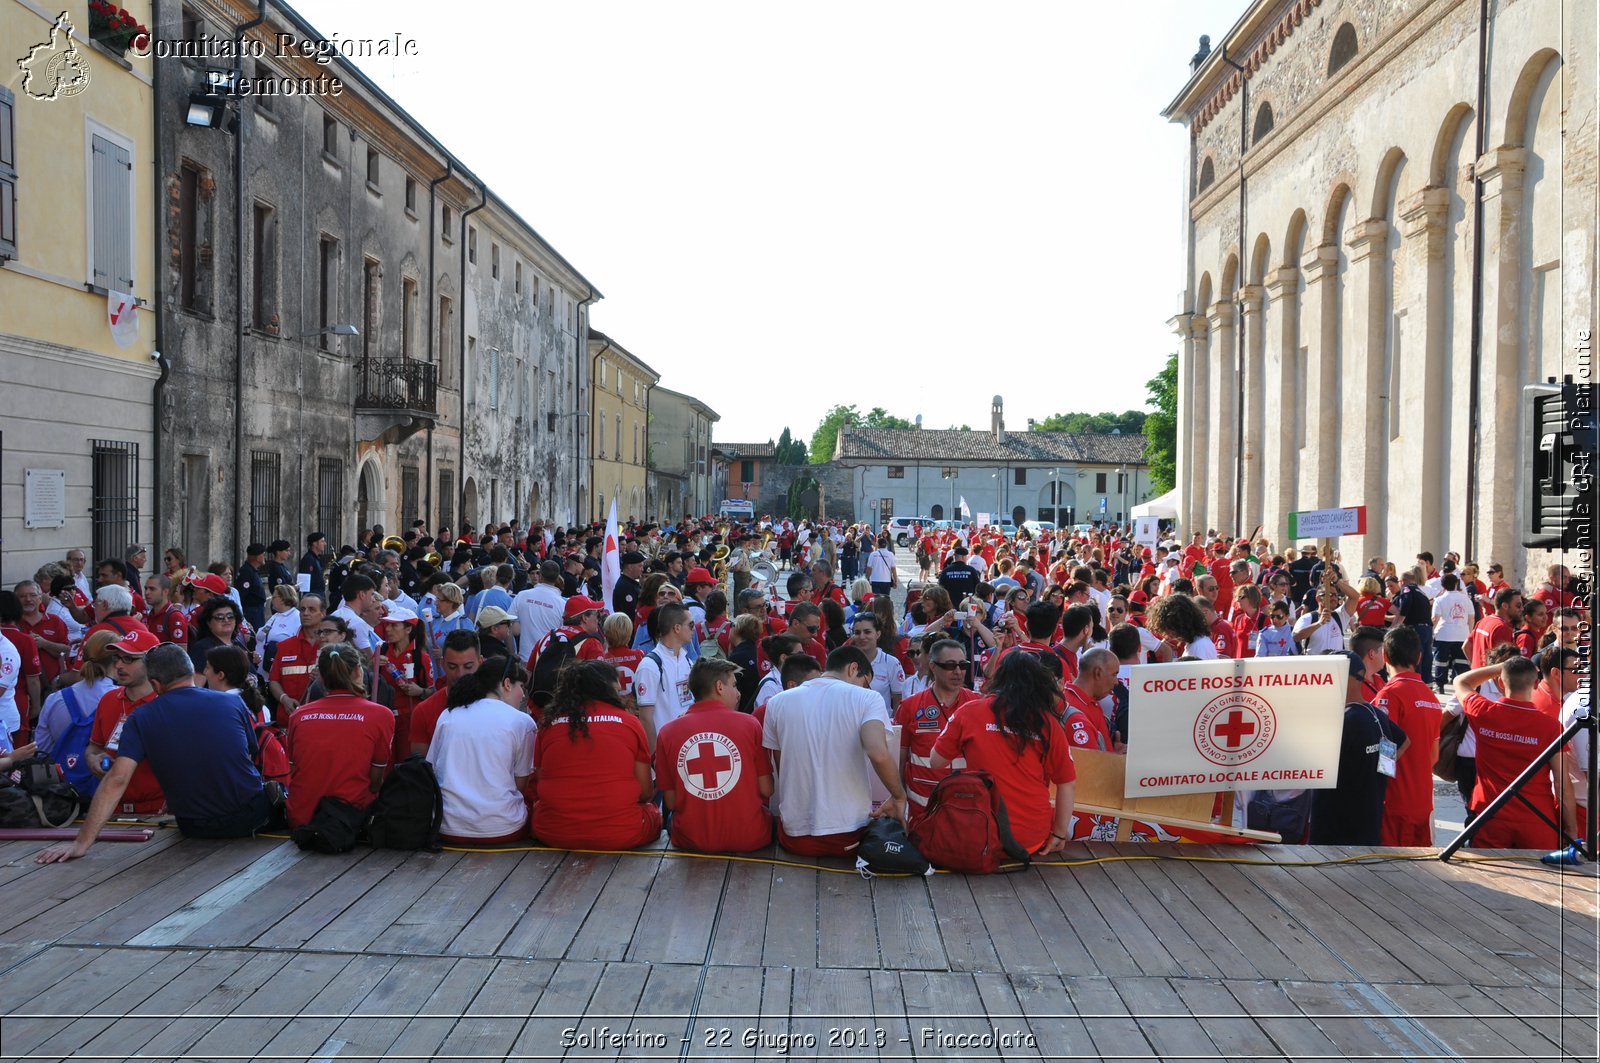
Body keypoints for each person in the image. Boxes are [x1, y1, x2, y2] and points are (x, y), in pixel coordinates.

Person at [37, 644, 271, 862]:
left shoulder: (141, 718)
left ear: (156, 684)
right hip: (250, 816)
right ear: (192, 672)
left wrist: (81, 843)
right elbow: (249, 756)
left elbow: (117, 779)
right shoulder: (232, 703)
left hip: (196, 825)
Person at [928, 650, 1077, 856]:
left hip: (979, 836)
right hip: (1031, 840)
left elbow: (935, 761)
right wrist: (1059, 835)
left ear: (999, 676)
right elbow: (1067, 783)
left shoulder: (968, 712)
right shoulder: (1049, 724)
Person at [761, 645, 906, 857]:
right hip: (849, 837)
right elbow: (878, 753)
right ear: (853, 668)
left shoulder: (776, 702)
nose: (865, 688)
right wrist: (899, 796)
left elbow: (783, 768)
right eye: (865, 683)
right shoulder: (868, 699)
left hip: (794, 837)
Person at [532, 660, 661, 849]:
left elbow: (541, 779)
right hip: (622, 832)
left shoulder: (548, 724)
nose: (621, 693)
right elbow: (645, 793)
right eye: (617, 689)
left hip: (553, 831)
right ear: (607, 689)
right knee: (654, 813)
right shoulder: (630, 723)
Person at [655, 658, 775, 853]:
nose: (738, 693)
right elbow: (767, 789)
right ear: (719, 687)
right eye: (734, 685)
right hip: (750, 837)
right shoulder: (750, 725)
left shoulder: (667, 732)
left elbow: (671, 802)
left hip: (690, 839)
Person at [1452, 657, 1568, 849]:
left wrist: (1500, 667)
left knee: (1487, 874)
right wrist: (1570, 828)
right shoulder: (1551, 727)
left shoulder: (1483, 711)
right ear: (1537, 683)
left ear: (1500, 681)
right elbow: (1562, 783)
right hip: (1537, 818)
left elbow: (1461, 681)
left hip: (1489, 815)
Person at [428, 654, 539, 845]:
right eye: (522, 686)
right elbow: (521, 785)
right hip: (503, 828)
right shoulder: (522, 721)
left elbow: (432, 768)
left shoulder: (449, 713)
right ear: (506, 684)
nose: (523, 695)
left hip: (444, 825)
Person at [285, 642, 393, 830]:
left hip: (301, 817)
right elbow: (376, 782)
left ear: (322, 678)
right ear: (359, 671)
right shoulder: (381, 715)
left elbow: (294, 770)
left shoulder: (298, 715)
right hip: (351, 820)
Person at [1309, 650, 1410, 845]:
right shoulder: (1377, 715)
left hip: (1333, 835)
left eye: (1325, 675)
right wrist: (1373, 769)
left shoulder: (1340, 721)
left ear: (1343, 677)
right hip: (1367, 830)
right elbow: (1404, 742)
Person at [1371, 626, 1443, 846]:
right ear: (1419, 657)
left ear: (1385, 656)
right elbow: (1434, 756)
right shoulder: (1431, 697)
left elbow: (1385, 752)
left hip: (1394, 801)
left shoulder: (1389, 694)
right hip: (1422, 800)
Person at [894, 638, 977, 819]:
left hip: (966, 808)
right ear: (932, 666)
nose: (957, 672)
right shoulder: (910, 706)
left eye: (962, 665)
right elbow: (899, 760)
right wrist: (898, 798)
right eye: (949, 666)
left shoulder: (978, 704)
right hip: (922, 810)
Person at [409, 629, 485, 755]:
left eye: (468, 666)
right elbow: (420, 769)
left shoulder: (497, 705)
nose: (460, 674)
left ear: (480, 662)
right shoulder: (424, 711)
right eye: (452, 667)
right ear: (442, 663)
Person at [377, 605, 434, 764]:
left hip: (409, 719)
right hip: (385, 718)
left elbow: (432, 692)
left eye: (394, 625)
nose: (388, 629)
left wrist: (419, 691)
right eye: (387, 624)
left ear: (408, 629)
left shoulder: (421, 657)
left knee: (405, 764)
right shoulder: (382, 650)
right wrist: (372, 665)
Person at [634, 602, 694, 747]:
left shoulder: (687, 661)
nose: (694, 630)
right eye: (690, 626)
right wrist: (655, 757)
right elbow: (645, 717)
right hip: (665, 749)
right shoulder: (650, 666)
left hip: (687, 747)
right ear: (677, 628)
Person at [267, 595, 327, 724]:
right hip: (289, 720)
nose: (305, 613)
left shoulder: (331, 646)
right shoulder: (284, 646)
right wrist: (284, 699)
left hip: (322, 719)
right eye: (302, 609)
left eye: (311, 609)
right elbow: (274, 680)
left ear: (323, 613)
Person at [511, 560, 566, 663]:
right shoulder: (562, 604)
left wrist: (512, 653)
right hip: (547, 662)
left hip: (526, 659)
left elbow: (510, 627)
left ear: (540, 575)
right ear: (557, 577)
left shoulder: (522, 595)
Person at [203, 645, 269, 726]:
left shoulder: (216, 707)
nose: (204, 672)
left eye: (207, 667)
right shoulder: (263, 709)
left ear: (220, 675)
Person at [186, 596, 252, 676]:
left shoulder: (237, 644)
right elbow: (196, 685)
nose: (226, 620)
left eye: (230, 616)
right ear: (208, 622)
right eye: (219, 617)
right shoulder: (203, 648)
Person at [1430, 573, 1474, 690]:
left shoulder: (1439, 600)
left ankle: (1440, 685)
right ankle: (1462, 685)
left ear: (1442, 585)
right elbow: (1471, 618)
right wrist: (1470, 634)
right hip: (1462, 634)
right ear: (1456, 583)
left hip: (1444, 634)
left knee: (1441, 661)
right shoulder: (1466, 599)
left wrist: (1432, 631)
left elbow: (1435, 618)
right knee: (1461, 662)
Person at [1466, 588, 1523, 670]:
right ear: (1505, 606)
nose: (1522, 609)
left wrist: (1476, 667)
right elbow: (1502, 662)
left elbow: (1466, 646)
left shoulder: (1483, 620)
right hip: (1490, 680)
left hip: (1478, 678)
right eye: (1518, 606)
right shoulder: (1502, 628)